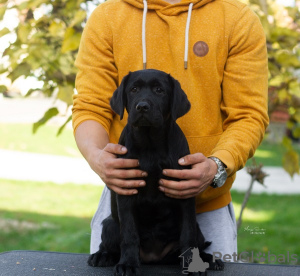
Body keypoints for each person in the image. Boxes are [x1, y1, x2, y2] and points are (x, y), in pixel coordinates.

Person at [72, 0, 269, 260]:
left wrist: (217, 166)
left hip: (204, 210)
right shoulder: (108, 16)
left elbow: (248, 114)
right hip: (128, 206)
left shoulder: (237, 18)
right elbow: (90, 106)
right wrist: (98, 157)